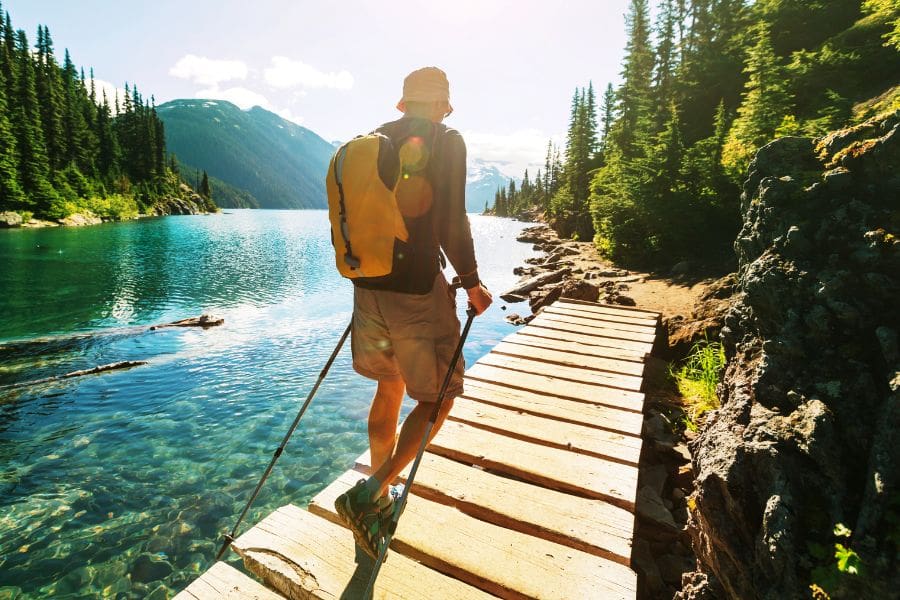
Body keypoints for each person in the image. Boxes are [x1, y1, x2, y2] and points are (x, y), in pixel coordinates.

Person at [333, 67, 492, 558]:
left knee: (390, 385)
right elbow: (450, 220)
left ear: (402, 104)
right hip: (418, 292)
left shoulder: (374, 142)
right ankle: (372, 490)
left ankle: (380, 493)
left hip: (368, 288)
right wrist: (471, 282)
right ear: (444, 105)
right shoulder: (446, 140)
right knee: (440, 396)